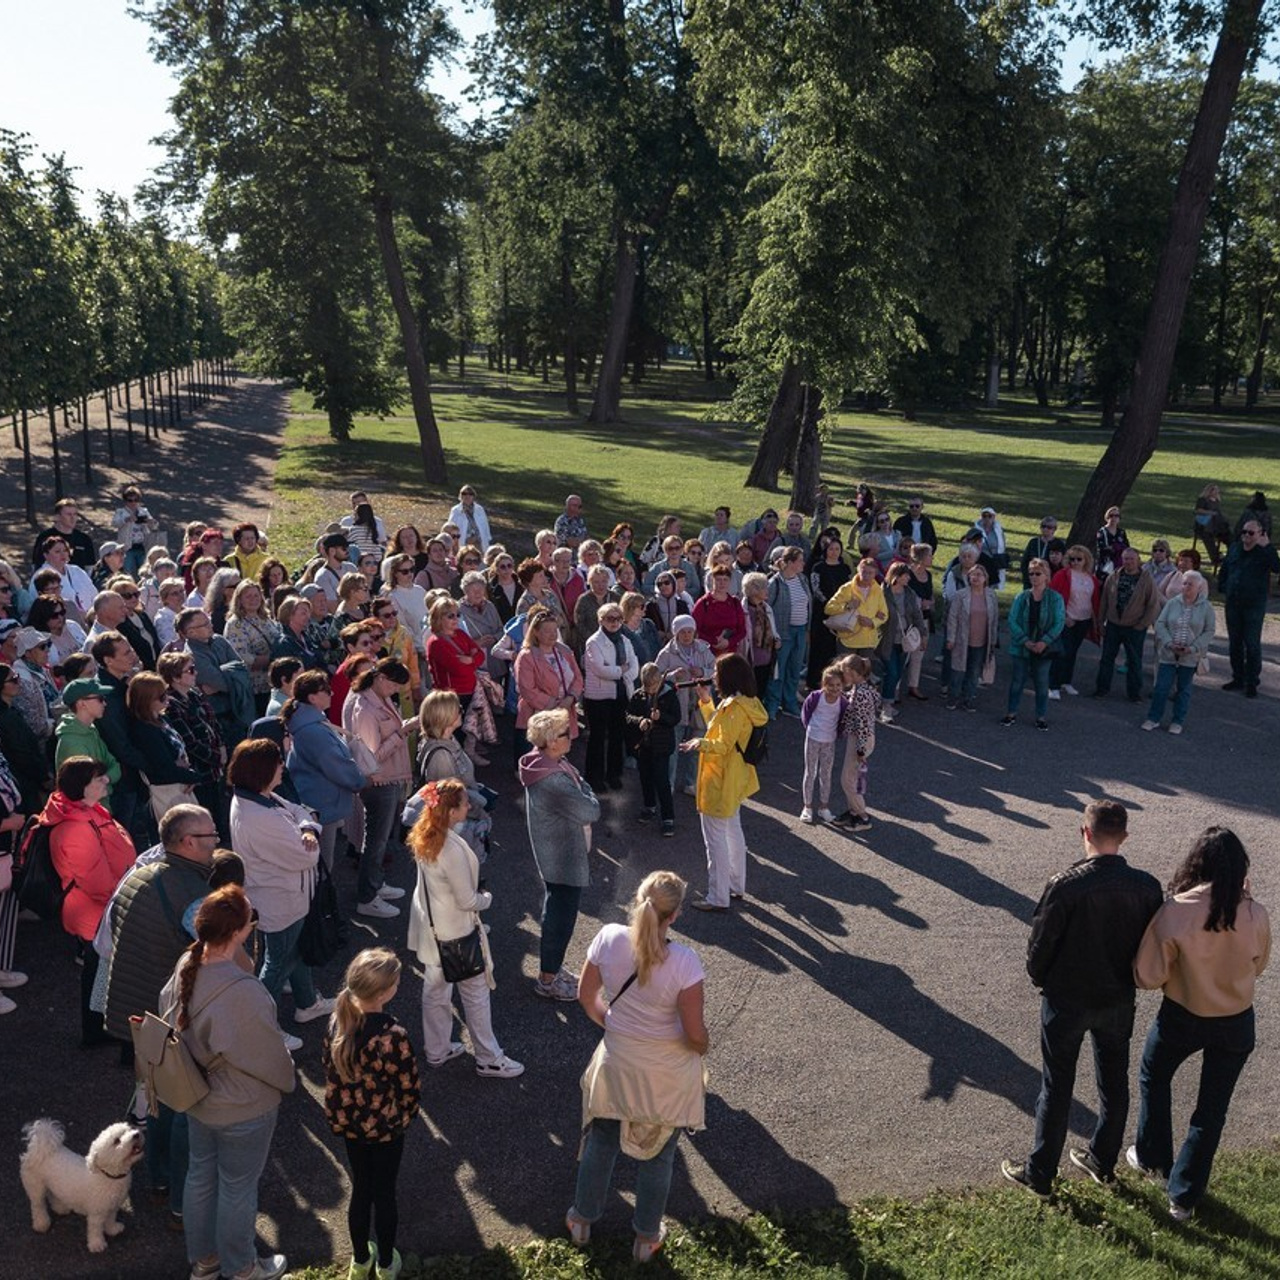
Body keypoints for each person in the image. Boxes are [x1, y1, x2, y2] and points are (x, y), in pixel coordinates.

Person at [1000, 799, 1162, 1197]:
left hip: (1067, 1000)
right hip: (1117, 997)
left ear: (1084, 833)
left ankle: (1041, 1174)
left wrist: (1043, 979)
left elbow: (1040, 947)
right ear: (1124, 837)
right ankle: (1103, 1160)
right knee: (1114, 1080)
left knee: (1057, 1085)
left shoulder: (1066, 885)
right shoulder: (1147, 887)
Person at [566, 871, 708, 1262]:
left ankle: (581, 1219)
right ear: (675, 916)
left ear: (637, 900)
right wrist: (702, 1047)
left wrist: (611, 1024)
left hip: (617, 1062)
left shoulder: (608, 938)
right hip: (665, 1073)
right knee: (659, 1153)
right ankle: (646, 1239)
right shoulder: (685, 962)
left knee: (604, 1138)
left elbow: (585, 995)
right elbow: (694, 1034)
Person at [1131, 827, 1271, 1221]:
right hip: (1236, 1020)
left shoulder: (1176, 911)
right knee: (1211, 1111)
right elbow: (1259, 966)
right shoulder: (1253, 912)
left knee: (1153, 1076)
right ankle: (1184, 1195)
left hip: (1183, 1014)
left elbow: (1147, 976)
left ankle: (1154, 1158)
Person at [161, 885, 295, 1280]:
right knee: (237, 1186)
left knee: (200, 1175)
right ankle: (241, 1268)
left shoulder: (187, 963)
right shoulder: (243, 992)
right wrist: (287, 1079)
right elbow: (269, 1059)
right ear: (238, 931)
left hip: (197, 1096)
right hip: (243, 1106)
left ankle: (204, 1262)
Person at [103, 805, 221, 1221]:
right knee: (183, 1108)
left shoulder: (138, 874)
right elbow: (221, 956)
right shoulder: (192, 894)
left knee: (152, 1099)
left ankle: (155, 1179)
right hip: (169, 1017)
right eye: (210, 837)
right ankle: (180, 1203)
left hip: (132, 1011)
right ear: (187, 842)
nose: (216, 843)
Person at [407, 777, 524, 1077]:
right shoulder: (451, 849)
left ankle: (437, 1049)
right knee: (475, 994)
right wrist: (487, 898)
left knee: (435, 991)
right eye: (463, 803)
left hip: (431, 930)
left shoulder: (425, 835)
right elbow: (468, 899)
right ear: (450, 811)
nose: (469, 805)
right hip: (457, 932)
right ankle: (488, 1057)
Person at [228, 738, 333, 1042]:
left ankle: (307, 1003)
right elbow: (307, 855)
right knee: (276, 965)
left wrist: (308, 827)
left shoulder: (259, 797)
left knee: (293, 952)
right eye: (277, 762)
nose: (282, 767)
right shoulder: (259, 816)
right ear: (262, 769)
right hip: (281, 899)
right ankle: (262, 1029)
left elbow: (299, 810)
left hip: (284, 896)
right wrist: (310, 828)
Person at [323, 948, 419, 1280]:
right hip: (387, 1128)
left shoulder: (338, 1021)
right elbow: (408, 1083)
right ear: (383, 993)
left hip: (350, 1124)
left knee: (361, 1187)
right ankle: (386, 1264)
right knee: (385, 1192)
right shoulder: (393, 1035)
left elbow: (328, 1068)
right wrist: (407, 1114)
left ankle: (361, 1259)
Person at [41, 756, 136, 1046]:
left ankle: (97, 1029)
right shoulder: (75, 828)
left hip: (101, 908)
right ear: (82, 787)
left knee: (99, 972)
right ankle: (94, 1032)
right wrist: (127, 894)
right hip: (96, 912)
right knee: (98, 972)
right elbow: (96, 883)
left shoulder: (82, 812)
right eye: (98, 779)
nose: (106, 781)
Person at [520, 708, 601, 1000]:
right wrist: (585, 790)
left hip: (555, 853)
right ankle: (548, 979)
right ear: (552, 741)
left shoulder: (546, 762)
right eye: (566, 732)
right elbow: (591, 809)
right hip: (562, 857)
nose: (572, 735)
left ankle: (552, 970)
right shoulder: (554, 778)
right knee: (560, 918)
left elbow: (580, 788)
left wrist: (581, 788)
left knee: (557, 912)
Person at [679, 653, 768, 913]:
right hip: (735, 778)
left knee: (715, 840)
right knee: (732, 831)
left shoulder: (734, 707)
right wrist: (707, 702)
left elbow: (721, 743)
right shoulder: (745, 703)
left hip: (720, 780)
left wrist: (699, 743)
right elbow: (721, 731)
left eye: (717, 672)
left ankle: (718, 896)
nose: (714, 676)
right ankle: (736, 885)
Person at [347, 660, 415, 918]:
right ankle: (367, 898)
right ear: (381, 678)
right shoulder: (365, 708)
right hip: (379, 782)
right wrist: (403, 732)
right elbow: (372, 756)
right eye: (395, 685)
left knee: (378, 839)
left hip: (388, 778)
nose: (397, 690)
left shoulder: (376, 698)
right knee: (376, 841)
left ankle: (375, 884)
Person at [282, 671, 366, 871]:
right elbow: (335, 764)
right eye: (326, 690)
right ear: (312, 697)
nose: (332, 693)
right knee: (322, 867)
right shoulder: (313, 730)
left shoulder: (309, 722)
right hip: (321, 804)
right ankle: (324, 902)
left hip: (319, 800)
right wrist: (361, 781)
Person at [159, 652, 228, 840]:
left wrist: (222, 747)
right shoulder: (171, 705)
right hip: (199, 773)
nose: (195, 673)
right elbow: (188, 742)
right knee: (204, 819)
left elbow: (213, 722)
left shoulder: (195, 695)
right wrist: (216, 758)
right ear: (175, 677)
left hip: (214, 769)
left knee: (220, 816)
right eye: (190, 670)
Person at [1141, 570, 1215, 734]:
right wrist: (1168, 642)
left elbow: (1209, 631)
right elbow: (1160, 624)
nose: (1186, 587)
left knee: (1183, 689)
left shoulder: (1206, 607)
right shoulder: (1173, 603)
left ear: (1199, 587)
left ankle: (1177, 721)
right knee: (1161, 687)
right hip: (1169, 653)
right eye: (1184, 583)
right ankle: (1153, 718)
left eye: (1190, 584)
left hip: (1189, 656)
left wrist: (1193, 647)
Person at [1217, 518, 1279, 697]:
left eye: (1251, 533)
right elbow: (1226, 568)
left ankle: (1251, 681)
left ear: (1261, 534)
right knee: (1235, 643)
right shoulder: (1235, 548)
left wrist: (1267, 547)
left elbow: (1277, 568)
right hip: (1233, 602)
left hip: (1253, 605)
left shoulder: (1264, 552)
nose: (1246, 536)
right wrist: (1223, 587)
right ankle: (1238, 677)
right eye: (1244, 532)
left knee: (1251, 644)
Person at [127, 671, 200, 820]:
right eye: (161, 696)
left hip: (182, 785)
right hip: (168, 791)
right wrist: (194, 777)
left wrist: (188, 773)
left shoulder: (162, 719)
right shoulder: (144, 730)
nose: (167, 698)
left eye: (165, 693)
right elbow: (164, 768)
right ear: (146, 700)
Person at [1002, 558, 1065, 731]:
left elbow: (1059, 622)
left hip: (1044, 648)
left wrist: (1044, 642)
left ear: (1046, 576)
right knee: (1017, 682)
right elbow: (1013, 620)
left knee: (1041, 683)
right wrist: (1025, 641)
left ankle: (1041, 716)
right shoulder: (1022, 597)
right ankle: (1011, 713)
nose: (1034, 577)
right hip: (1022, 647)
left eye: (1038, 573)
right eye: (1031, 574)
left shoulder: (1055, 598)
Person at [582, 603, 639, 792]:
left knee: (617, 737)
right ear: (601, 620)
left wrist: (623, 673)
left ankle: (614, 775)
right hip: (598, 697)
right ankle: (594, 778)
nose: (614, 623)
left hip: (621, 695)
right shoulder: (593, 642)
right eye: (609, 618)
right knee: (597, 738)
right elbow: (599, 669)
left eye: (617, 619)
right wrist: (620, 670)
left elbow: (634, 665)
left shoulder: (625, 641)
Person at [514, 608, 583, 764]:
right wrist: (554, 704)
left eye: (555, 630)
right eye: (547, 631)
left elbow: (578, 678)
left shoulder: (564, 651)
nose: (553, 634)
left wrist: (570, 698)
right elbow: (527, 689)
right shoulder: (527, 656)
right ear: (536, 633)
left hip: (565, 709)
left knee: (560, 755)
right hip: (538, 714)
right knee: (537, 757)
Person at [1093, 547, 1161, 703]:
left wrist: (1143, 624)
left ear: (1138, 561)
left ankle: (1134, 693)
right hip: (1113, 625)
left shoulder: (1146, 579)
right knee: (1106, 659)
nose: (1128, 562)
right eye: (1125, 559)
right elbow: (1104, 600)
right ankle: (1101, 689)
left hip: (1134, 627)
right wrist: (1100, 622)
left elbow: (1153, 604)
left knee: (1134, 661)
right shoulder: (1113, 576)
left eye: (1131, 559)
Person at [625, 663, 681, 835]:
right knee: (645, 778)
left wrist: (661, 717)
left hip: (661, 747)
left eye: (654, 687)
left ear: (660, 682)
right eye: (647, 687)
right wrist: (640, 720)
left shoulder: (669, 695)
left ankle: (668, 817)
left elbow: (676, 718)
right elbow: (628, 715)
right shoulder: (638, 695)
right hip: (644, 747)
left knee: (662, 781)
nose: (650, 691)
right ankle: (649, 806)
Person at [763, 547, 811, 719]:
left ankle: (789, 703)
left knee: (794, 669)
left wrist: (806, 629)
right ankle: (772, 705)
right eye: (800, 560)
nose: (803, 563)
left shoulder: (802, 579)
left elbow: (807, 604)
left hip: (800, 631)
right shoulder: (774, 583)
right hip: (783, 633)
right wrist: (774, 635)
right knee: (778, 671)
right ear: (789, 562)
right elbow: (767, 609)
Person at [833, 654, 880, 831]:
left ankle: (863, 816)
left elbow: (861, 724)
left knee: (847, 780)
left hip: (861, 740)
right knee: (850, 778)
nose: (842, 676)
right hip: (861, 738)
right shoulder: (863, 689)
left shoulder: (860, 694)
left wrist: (861, 750)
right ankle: (853, 811)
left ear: (852, 673)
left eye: (844, 673)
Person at [1048, 544, 1100, 699]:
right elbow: (1053, 598)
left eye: (1079, 559)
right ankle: (1053, 685)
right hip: (1066, 618)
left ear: (1086, 560)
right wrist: (1064, 617)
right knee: (1061, 652)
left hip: (1084, 619)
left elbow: (1094, 600)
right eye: (1072, 559)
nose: (1075, 562)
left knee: (1072, 652)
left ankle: (1066, 681)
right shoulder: (1062, 575)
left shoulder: (1092, 579)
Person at [945, 564, 998, 712]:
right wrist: (951, 638)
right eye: (973, 575)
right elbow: (952, 617)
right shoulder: (960, 595)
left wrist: (993, 640)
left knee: (974, 672)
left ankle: (968, 699)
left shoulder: (991, 595)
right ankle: (953, 697)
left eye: (979, 575)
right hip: (961, 639)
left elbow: (994, 620)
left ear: (985, 578)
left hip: (981, 641)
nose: (975, 577)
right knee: (957, 670)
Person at [799, 666, 847, 823]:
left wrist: (837, 734)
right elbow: (805, 713)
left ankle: (824, 807)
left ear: (843, 685)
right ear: (824, 684)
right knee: (810, 772)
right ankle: (807, 807)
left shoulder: (843, 702)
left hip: (829, 741)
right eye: (831, 685)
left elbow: (842, 722)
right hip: (813, 738)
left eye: (838, 685)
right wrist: (810, 729)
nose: (835, 689)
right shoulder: (815, 697)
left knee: (826, 774)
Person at [224, 580, 279, 714]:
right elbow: (243, 657)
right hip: (254, 687)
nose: (253, 599)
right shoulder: (235, 624)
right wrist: (273, 659)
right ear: (239, 599)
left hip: (273, 682)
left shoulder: (265, 618)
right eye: (248, 596)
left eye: (256, 595)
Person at [879, 562, 925, 719]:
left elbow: (917, 615)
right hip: (888, 640)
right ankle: (886, 706)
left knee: (897, 673)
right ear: (896, 577)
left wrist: (923, 634)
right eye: (905, 575)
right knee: (891, 672)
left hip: (905, 640)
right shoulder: (883, 593)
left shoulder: (909, 593)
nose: (908, 578)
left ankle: (884, 698)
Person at [33, 497, 96, 571]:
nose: (73, 518)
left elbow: (90, 568)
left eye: (75, 514)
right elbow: (36, 565)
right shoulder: (45, 537)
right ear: (57, 517)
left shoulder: (84, 539)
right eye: (68, 514)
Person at [1192, 484, 1232, 568]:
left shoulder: (1216, 501)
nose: (1216, 492)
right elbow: (1198, 510)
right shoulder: (1203, 500)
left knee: (1229, 538)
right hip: (1204, 526)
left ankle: (1230, 555)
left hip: (1217, 525)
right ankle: (1215, 557)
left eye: (1217, 490)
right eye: (1214, 490)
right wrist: (1210, 513)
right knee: (1209, 539)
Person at [1020, 517, 1060, 589]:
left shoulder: (1059, 544)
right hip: (1032, 580)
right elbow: (1025, 562)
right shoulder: (1033, 542)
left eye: (1049, 527)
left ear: (1054, 529)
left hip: (1049, 581)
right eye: (1043, 526)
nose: (1045, 529)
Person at [1095, 506, 1129, 578]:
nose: (1113, 518)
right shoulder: (1102, 532)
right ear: (1107, 518)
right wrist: (1115, 547)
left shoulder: (1121, 532)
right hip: (1105, 564)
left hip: (1119, 564)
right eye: (1111, 516)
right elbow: (1101, 548)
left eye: (1116, 516)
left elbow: (1127, 547)